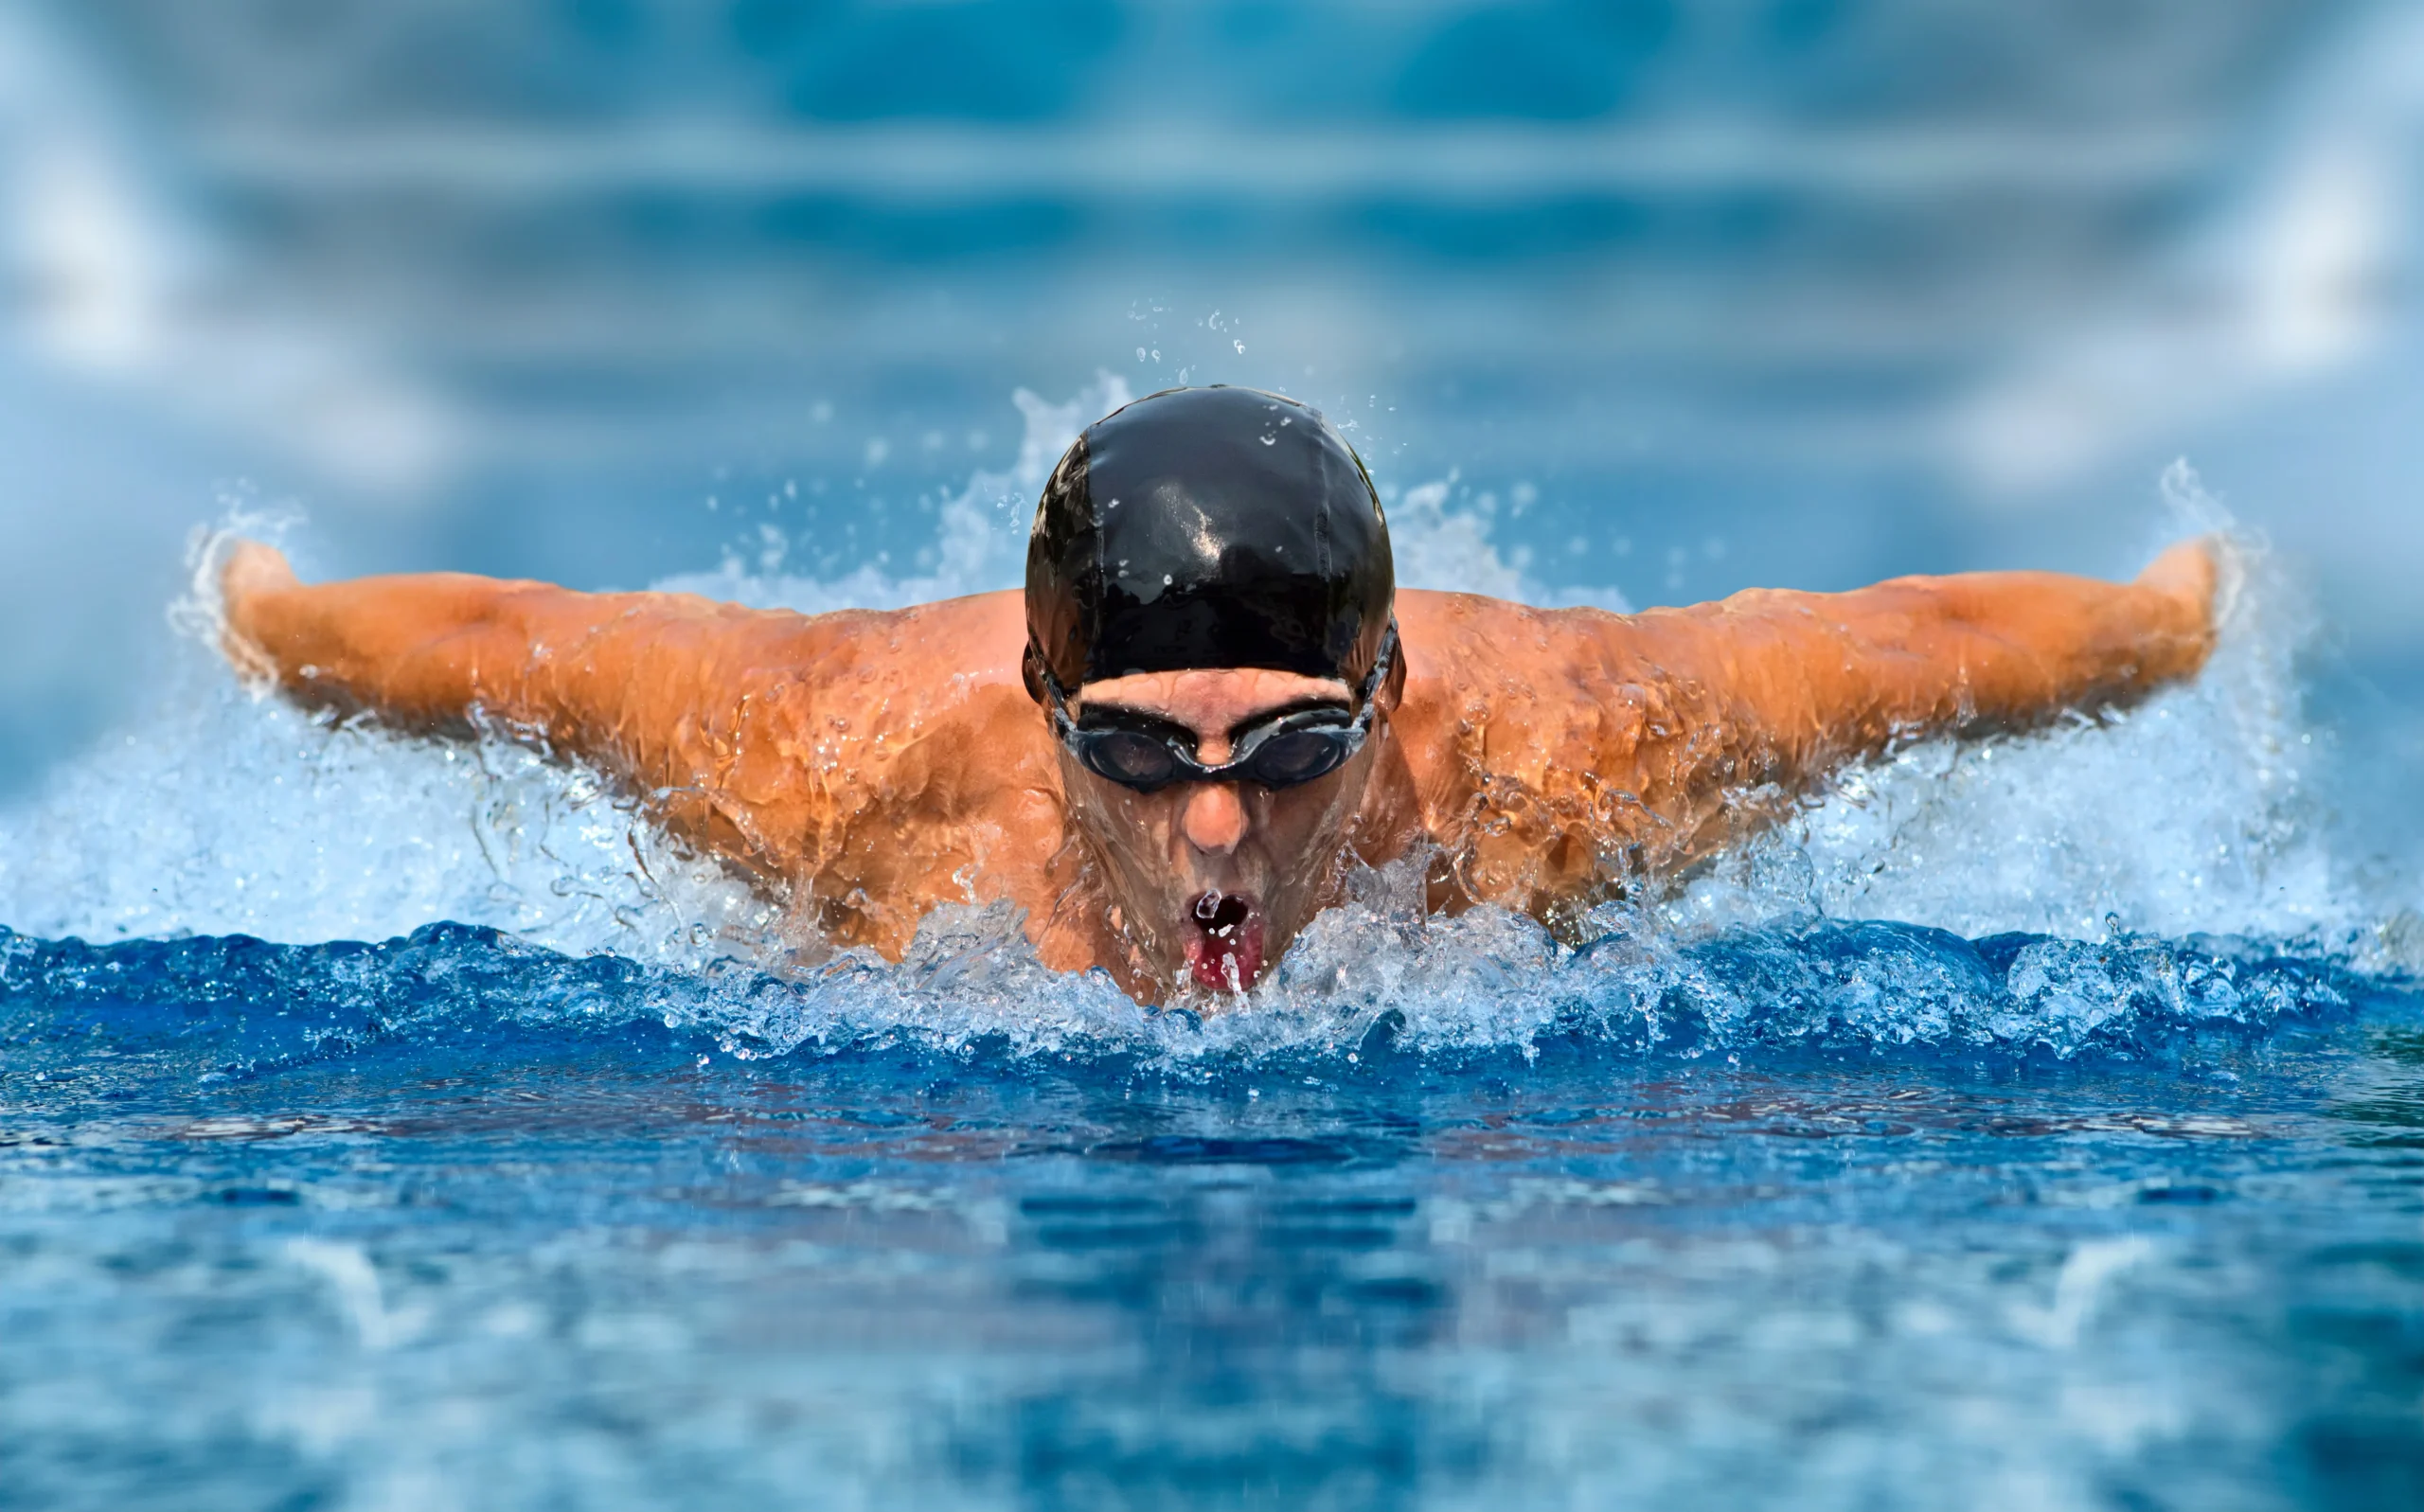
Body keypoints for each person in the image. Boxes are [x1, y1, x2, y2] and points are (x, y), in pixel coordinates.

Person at [218, 384, 2220, 1003]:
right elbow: (508, 653)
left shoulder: (1569, 766)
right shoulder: (836, 768)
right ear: (1038, 705)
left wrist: (2163, 630)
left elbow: (1917, 655)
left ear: (1387, 688)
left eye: (1292, 747)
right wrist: (272, 621)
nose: (1212, 826)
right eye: (1131, 749)